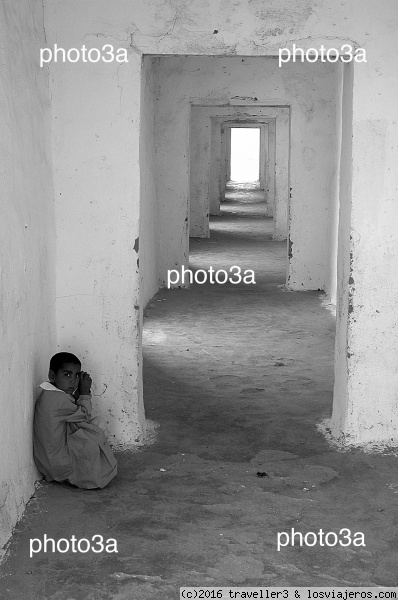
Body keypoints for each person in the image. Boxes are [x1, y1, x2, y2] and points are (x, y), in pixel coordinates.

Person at [33, 352, 117, 489]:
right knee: (98, 426)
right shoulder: (58, 399)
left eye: (76, 375)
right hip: (60, 467)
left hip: (47, 464)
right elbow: (84, 416)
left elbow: (73, 412)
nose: (73, 381)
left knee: (92, 431)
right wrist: (84, 393)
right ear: (52, 376)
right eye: (67, 375)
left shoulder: (50, 393)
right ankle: (84, 475)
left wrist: (78, 393)